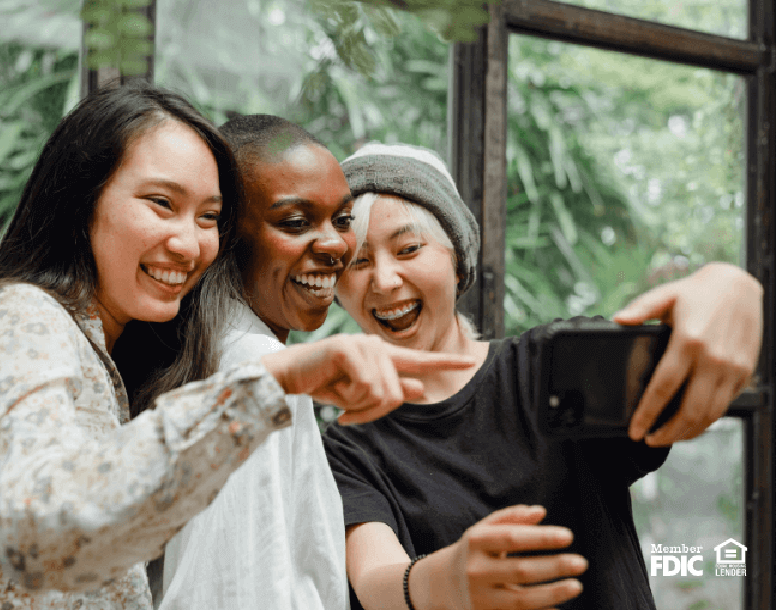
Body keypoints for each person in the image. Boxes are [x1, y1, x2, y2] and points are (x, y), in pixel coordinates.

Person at [0, 90, 475, 610]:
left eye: (209, 217)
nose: (190, 242)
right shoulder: (22, 319)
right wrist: (270, 386)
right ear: (82, 199)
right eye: (161, 204)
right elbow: (38, 532)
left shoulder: (106, 352)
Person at [322, 142, 763, 610]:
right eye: (358, 263)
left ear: (457, 259)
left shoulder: (553, 366)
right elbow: (375, 581)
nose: (384, 280)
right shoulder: (348, 445)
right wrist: (444, 579)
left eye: (408, 248)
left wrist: (731, 286)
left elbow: (684, 354)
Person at [157, 115, 354, 610]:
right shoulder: (257, 368)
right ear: (226, 236)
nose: (334, 245)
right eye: (295, 222)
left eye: (344, 219)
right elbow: (234, 591)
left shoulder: (224, 351)